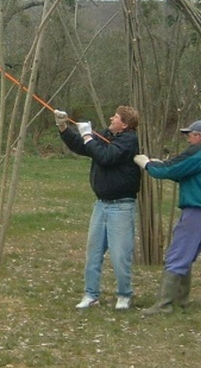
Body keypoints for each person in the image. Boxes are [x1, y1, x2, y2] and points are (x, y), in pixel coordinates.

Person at [133, 119, 201, 314]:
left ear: (200, 136)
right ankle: (181, 300)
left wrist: (147, 165)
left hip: (197, 212)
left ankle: (164, 304)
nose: (187, 139)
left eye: (189, 135)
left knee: (177, 255)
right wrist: (162, 165)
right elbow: (185, 172)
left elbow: (171, 169)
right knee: (187, 255)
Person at [54, 106, 141, 311]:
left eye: (116, 117)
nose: (111, 118)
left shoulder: (129, 141)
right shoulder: (105, 135)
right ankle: (91, 295)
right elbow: (83, 147)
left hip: (121, 207)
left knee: (120, 256)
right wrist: (64, 127)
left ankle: (124, 295)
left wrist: (88, 136)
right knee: (93, 254)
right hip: (101, 205)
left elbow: (106, 157)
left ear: (125, 124)